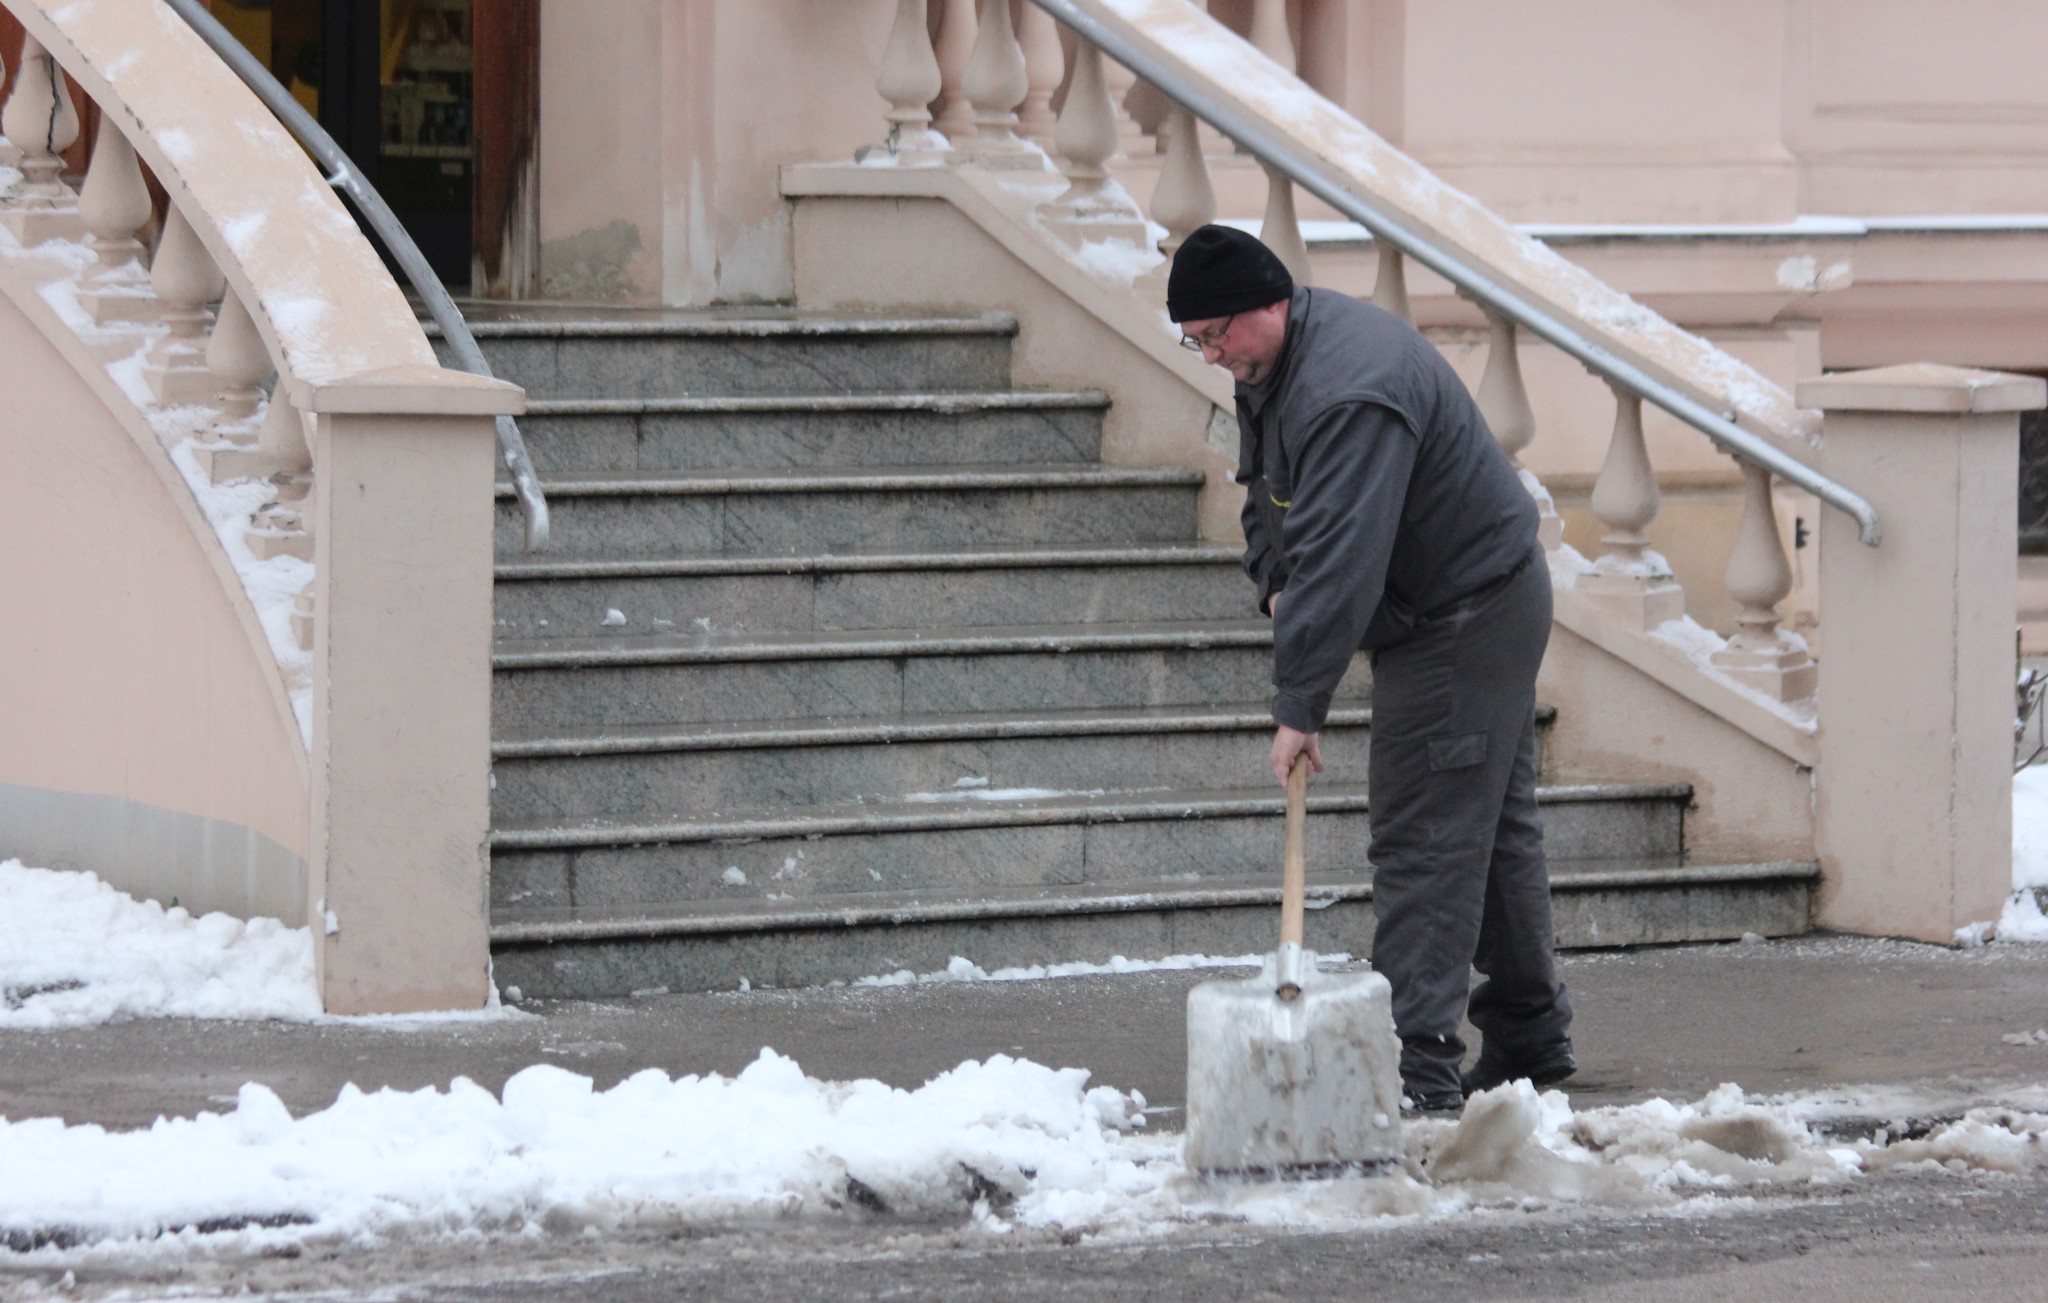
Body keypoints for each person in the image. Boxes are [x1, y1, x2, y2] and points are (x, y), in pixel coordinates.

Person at [1167, 224, 1575, 1114]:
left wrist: (1299, 703)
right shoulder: (1270, 366)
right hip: (1461, 598)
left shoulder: (1348, 389)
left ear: (1271, 302)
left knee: (1424, 835)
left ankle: (1415, 1068)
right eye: (1195, 340)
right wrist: (1273, 584)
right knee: (1488, 829)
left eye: (1218, 333)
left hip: (1466, 611)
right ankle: (1529, 1035)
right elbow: (1268, 496)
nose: (1212, 354)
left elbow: (1343, 555)